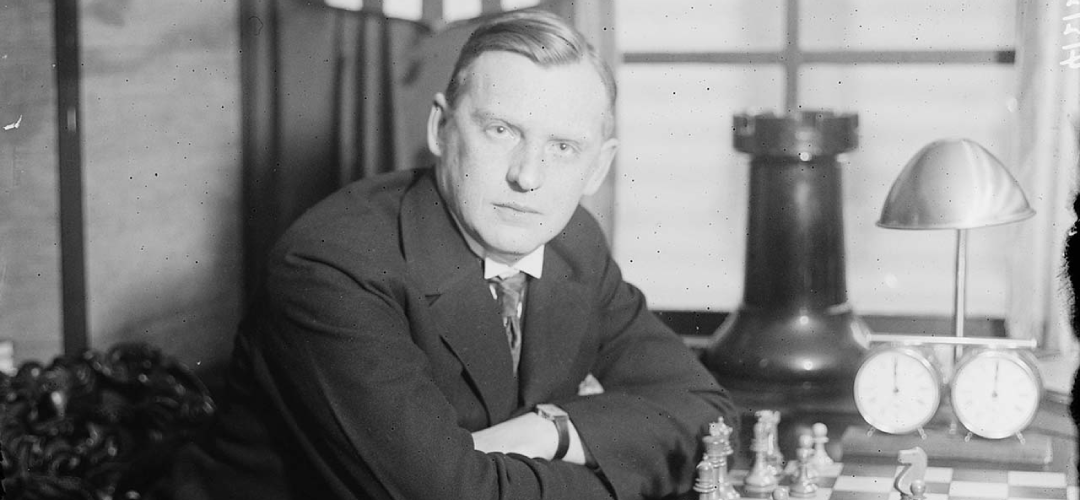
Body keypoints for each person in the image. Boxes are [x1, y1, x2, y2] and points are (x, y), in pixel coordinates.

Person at [168, 9, 737, 500]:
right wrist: (622, 467)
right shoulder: (332, 265)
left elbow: (707, 412)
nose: (528, 176)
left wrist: (551, 431)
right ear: (441, 128)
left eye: (564, 147)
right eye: (501, 130)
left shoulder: (572, 242)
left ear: (598, 168)